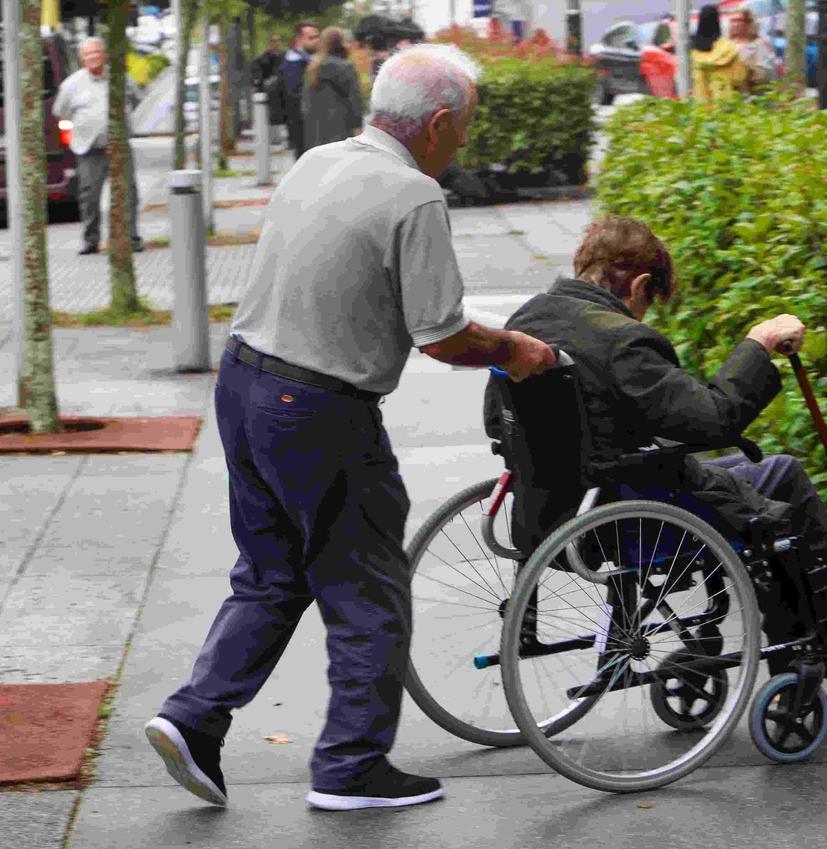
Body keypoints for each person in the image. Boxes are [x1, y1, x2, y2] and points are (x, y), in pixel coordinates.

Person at [143, 43, 556, 813]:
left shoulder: (319, 159)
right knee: (368, 585)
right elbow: (441, 336)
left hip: (243, 381)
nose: (462, 143)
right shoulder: (414, 195)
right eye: (462, 129)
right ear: (436, 123)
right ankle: (350, 766)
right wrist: (516, 352)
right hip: (320, 406)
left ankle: (191, 717)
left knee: (271, 573)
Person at [484, 216, 827, 687]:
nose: (645, 313)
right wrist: (758, 344)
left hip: (550, 511)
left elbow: (499, 423)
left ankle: (823, 638)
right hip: (629, 514)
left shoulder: (528, 319)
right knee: (781, 475)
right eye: (648, 301)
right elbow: (715, 420)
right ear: (641, 284)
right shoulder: (621, 339)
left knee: (745, 474)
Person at [51, 37, 143, 256]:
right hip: (89, 150)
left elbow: (136, 99)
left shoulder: (120, 78)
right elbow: (59, 111)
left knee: (128, 193)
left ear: (104, 55)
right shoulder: (71, 85)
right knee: (89, 196)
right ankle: (91, 240)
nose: (92, 57)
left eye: (96, 53)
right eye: (88, 54)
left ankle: (131, 238)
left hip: (118, 147)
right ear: (82, 58)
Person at [301, 27, 363, 151]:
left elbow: (305, 102)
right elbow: (354, 100)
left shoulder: (313, 67)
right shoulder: (345, 67)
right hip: (340, 128)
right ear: (340, 43)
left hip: (316, 130)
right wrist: (358, 128)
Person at [279, 21, 320, 160]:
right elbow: (293, 93)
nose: (316, 41)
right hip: (302, 119)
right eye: (311, 38)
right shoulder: (294, 60)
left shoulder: (305, 58)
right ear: (299, 39)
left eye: (317, 36)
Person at [691, 3, 748, 101]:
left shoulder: (692, 49)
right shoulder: (728, 47)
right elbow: (738, 78)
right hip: (724, 103)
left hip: (700, 106)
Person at [729, 6, 777, 88]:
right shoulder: (727, 44)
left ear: (749, 23)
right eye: (733, 21)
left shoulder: (760, 45)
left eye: (739, 20)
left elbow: (764, 76)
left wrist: (748, 67)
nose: (735, 24)